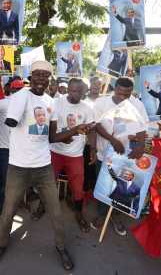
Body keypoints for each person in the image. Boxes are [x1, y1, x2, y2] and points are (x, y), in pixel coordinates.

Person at [0, 60, 91, 271]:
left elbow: (52, 136)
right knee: (8, 211)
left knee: (55, 212)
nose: (41, 79)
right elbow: (11, 122)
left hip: (44, 167)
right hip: (18, 167)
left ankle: (61, 247)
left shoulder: (50, 102)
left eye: (45, 76)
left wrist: (75, 130)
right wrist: (17, 106)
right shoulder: (19, 97)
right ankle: (1, 244)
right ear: (30, 76)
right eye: (37, 75)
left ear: (49, 79)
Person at [91, 77, 149, 235]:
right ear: (114, 89)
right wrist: (111, 141)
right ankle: (102, 215)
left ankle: (115, 215)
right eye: (120, 93)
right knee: (103, 185)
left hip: (127, 157)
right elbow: (95, 125)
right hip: (105, 153)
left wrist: (141, 146)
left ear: (132, 92)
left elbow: (143, 128)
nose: (123, 97)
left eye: (127, 94)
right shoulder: (101, 103)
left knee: (122, 187)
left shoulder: (138, 104)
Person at [50, 78, 95, 232]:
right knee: (49, 183)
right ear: (68, 89)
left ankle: (79, 213)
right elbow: (51, 130)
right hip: (55, 151)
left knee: (77, 187)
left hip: (75, 154)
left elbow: (92, 130)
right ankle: (43, 206)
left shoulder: (87, 108)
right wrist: (67, 134)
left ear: (84, 92)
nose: (75, 94)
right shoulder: (56, 103)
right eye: (72, 90)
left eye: (79, 91)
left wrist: (93, 150)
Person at [0, 79, 25, 218]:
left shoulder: (25, 102)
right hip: (6, 148)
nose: (16, 92)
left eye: (19, 90)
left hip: (20, 148)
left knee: (15, 179)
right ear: (11, 90)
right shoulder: (4, 103)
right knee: (4, 180)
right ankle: (0, 205)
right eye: (15, 90)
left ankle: (12, 204)